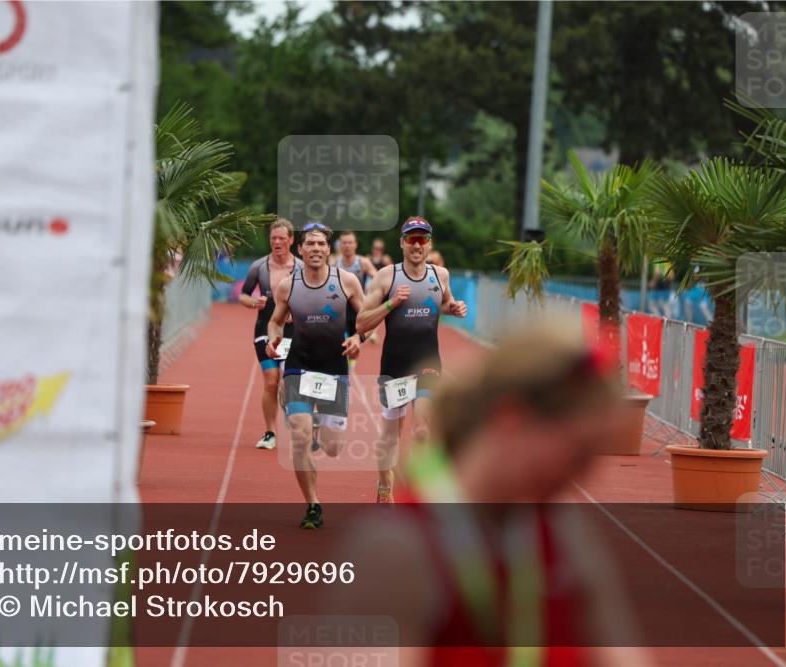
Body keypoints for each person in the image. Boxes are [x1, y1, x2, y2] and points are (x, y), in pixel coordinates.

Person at [339, 322, 649, 667]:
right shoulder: (398, 547)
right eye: (578, 454)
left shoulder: (562, 530)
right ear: (511, 420)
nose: (584, 476)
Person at [357, 216, 466, 503]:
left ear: (429, 244)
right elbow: (361, 323)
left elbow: (444, 303)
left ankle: (415, 491)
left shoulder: (440, 275)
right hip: (395, 366)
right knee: (391, 433)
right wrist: (390, 303)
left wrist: (453, 308)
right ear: (402, 243)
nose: (417, 245)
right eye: (412, 239)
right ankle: (385, 486)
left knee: (422, 430)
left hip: (428, 362)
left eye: (423, 239)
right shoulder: (387, 277)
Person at [266, 221, 365, 528]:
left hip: (334, 370)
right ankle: (313, 505)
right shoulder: (288, 285)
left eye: (321, 243)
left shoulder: (347, 281)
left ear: (328, 249)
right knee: (299, 435)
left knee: (333, 448)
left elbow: (366, 318)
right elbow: (275, 321)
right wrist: (273, 338)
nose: (316, 248)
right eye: (310, 243)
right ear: (300, 249)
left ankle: (319, 425)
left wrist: (358, 338)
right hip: (299, 367)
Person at [239, 219, 303, 450]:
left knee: (288, 382)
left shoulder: (302, 267)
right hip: (264, 330)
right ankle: (270, 432)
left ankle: (292, 415)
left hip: (292, 332)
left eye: (281, 238)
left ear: (291, 240)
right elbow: (243, 295)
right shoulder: (259, 266)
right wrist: (253, 302)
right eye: (273, 238)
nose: (277, 242)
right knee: (271, 381)